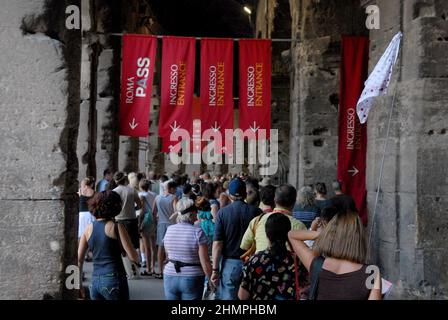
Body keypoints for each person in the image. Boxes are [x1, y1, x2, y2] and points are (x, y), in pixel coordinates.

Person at [288, 210, 382, 300]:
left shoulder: (317, 264)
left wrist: (324, 235)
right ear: (359, 238)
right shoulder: (372, 273)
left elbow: (292, 235)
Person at [78, 191, 140, 300]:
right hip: (114, 279)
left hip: (95, 280)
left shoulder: (88, 228)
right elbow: (133, 256)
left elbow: (78, 259)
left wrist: (78, 285)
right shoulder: (116, 227)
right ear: (115, 207)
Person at [211, 178, 261, 300]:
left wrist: (215, 269)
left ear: (229, 195)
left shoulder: (223, 213)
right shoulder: (256, 212)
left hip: (230, 264)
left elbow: (217, 244)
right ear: (245, 193)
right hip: (251, 262)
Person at [238, 214, 296, 300]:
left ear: (266, 233)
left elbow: (242, 296)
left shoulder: (254, 260)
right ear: (288, 233)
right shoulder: (296, 260)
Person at [163, 199, 212, 300]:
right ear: (192, 213)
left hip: (170, 274)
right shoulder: (198, 232)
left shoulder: (169, 230)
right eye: (196, 211)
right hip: (192, 277)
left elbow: (168, 254)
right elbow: (205, 261)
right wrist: (211, 279)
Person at [240, 184, 307, 256]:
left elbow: (244, 245)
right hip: (288, 266)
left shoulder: (258, 220)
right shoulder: (300, 226)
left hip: (260, 265)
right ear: (294, 202)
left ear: (274, 200)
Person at [154, 181, 178, 278]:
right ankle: (170, 270)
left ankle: (160, 270)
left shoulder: (157, 198)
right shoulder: (174, 197)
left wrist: (157, 220)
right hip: (171, 224)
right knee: (172, 248)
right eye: (174, 189)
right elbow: (176, 211)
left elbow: (153, 212)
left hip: (161, 223)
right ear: (171, 188)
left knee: (160, 247)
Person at [138, 179, 157, 276]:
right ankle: (153, 268)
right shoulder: (154, 195)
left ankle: (148, 269)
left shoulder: (141, 196)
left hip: (146, 220)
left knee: (147, 247)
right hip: (153, 219)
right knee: (153, 246)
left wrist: (139, 223)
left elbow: (142, 211)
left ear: (140, 186)